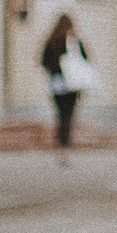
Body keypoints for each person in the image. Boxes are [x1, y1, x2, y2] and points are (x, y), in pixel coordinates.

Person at [39, 10, 93, 152]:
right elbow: (86, 59)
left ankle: (61, 141)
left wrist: (56, 68)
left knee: (60, 112)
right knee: (69, 112)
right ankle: (65, 140)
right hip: (73, 82)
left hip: (57, 81)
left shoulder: (52, 42)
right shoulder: (74, 42)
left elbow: (44, 61)